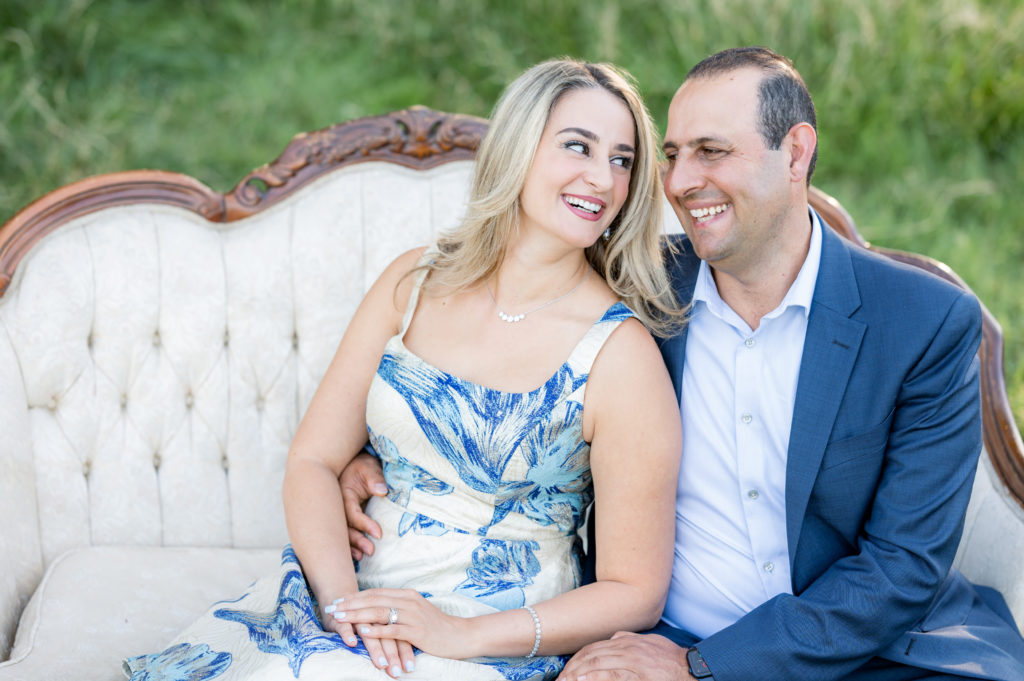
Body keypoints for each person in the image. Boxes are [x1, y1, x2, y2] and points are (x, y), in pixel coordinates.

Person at [345, 48, 1024, 681]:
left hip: (869, 657)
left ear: (795, 154)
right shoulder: (634, 285)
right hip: (651, 641)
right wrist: (376, 455)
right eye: (671, 154)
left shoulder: (922, 323)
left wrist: (702, 664)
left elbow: (900, 570)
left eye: (712, 151)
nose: (679, 181)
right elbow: (504, 362)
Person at [123, 58, 685, 681]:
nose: (602, 178)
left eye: (622, 159)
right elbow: (313, 460)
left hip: (488, 630)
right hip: (348, 596)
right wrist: (344, 609)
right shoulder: (412, 283)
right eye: (577, 146)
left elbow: (636, 590)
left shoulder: (620, 353)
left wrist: (462, 634)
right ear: (518, 149)